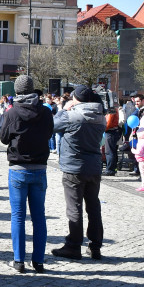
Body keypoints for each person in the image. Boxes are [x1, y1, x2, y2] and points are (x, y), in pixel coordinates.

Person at [0, 74, 53, 273]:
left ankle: (19, 260)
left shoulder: (12, 113)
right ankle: (38, 261)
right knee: (39, 217)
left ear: (17, 91)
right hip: (40, 167)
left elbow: (4, 138)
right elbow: (49, 133)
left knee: (18, 216)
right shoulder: (46, 112)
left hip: (18, 168)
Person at [50, 86, 106, 260]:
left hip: (74, 167)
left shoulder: (71, 116)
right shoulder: (100, 117)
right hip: (94, 167)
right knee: (93, 206)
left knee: (74, 208)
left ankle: (74, 246)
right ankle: (95, 246)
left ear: (76, 99)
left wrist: (62, 110)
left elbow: (52, 126)